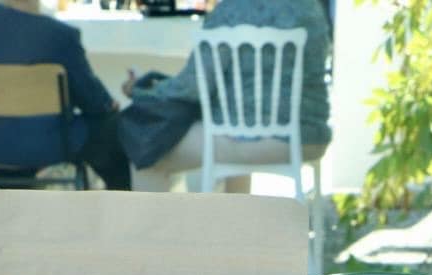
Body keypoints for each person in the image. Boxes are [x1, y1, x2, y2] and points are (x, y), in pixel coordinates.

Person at [118, 0, 330, 184]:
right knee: (236, 124)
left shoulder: (232, 10)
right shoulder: (311, 7)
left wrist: (140, 90)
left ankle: (157, 222)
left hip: (255, 140)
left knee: (146, 150)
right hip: (311, 137)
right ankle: (236, 217)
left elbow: (193, 87)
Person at [0, 0, 130, 191]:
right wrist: (108, 104)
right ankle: (118, 207)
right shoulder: (60, 35)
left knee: (11, 129)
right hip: (44, 146)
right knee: (114, 129)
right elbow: (92, 101)